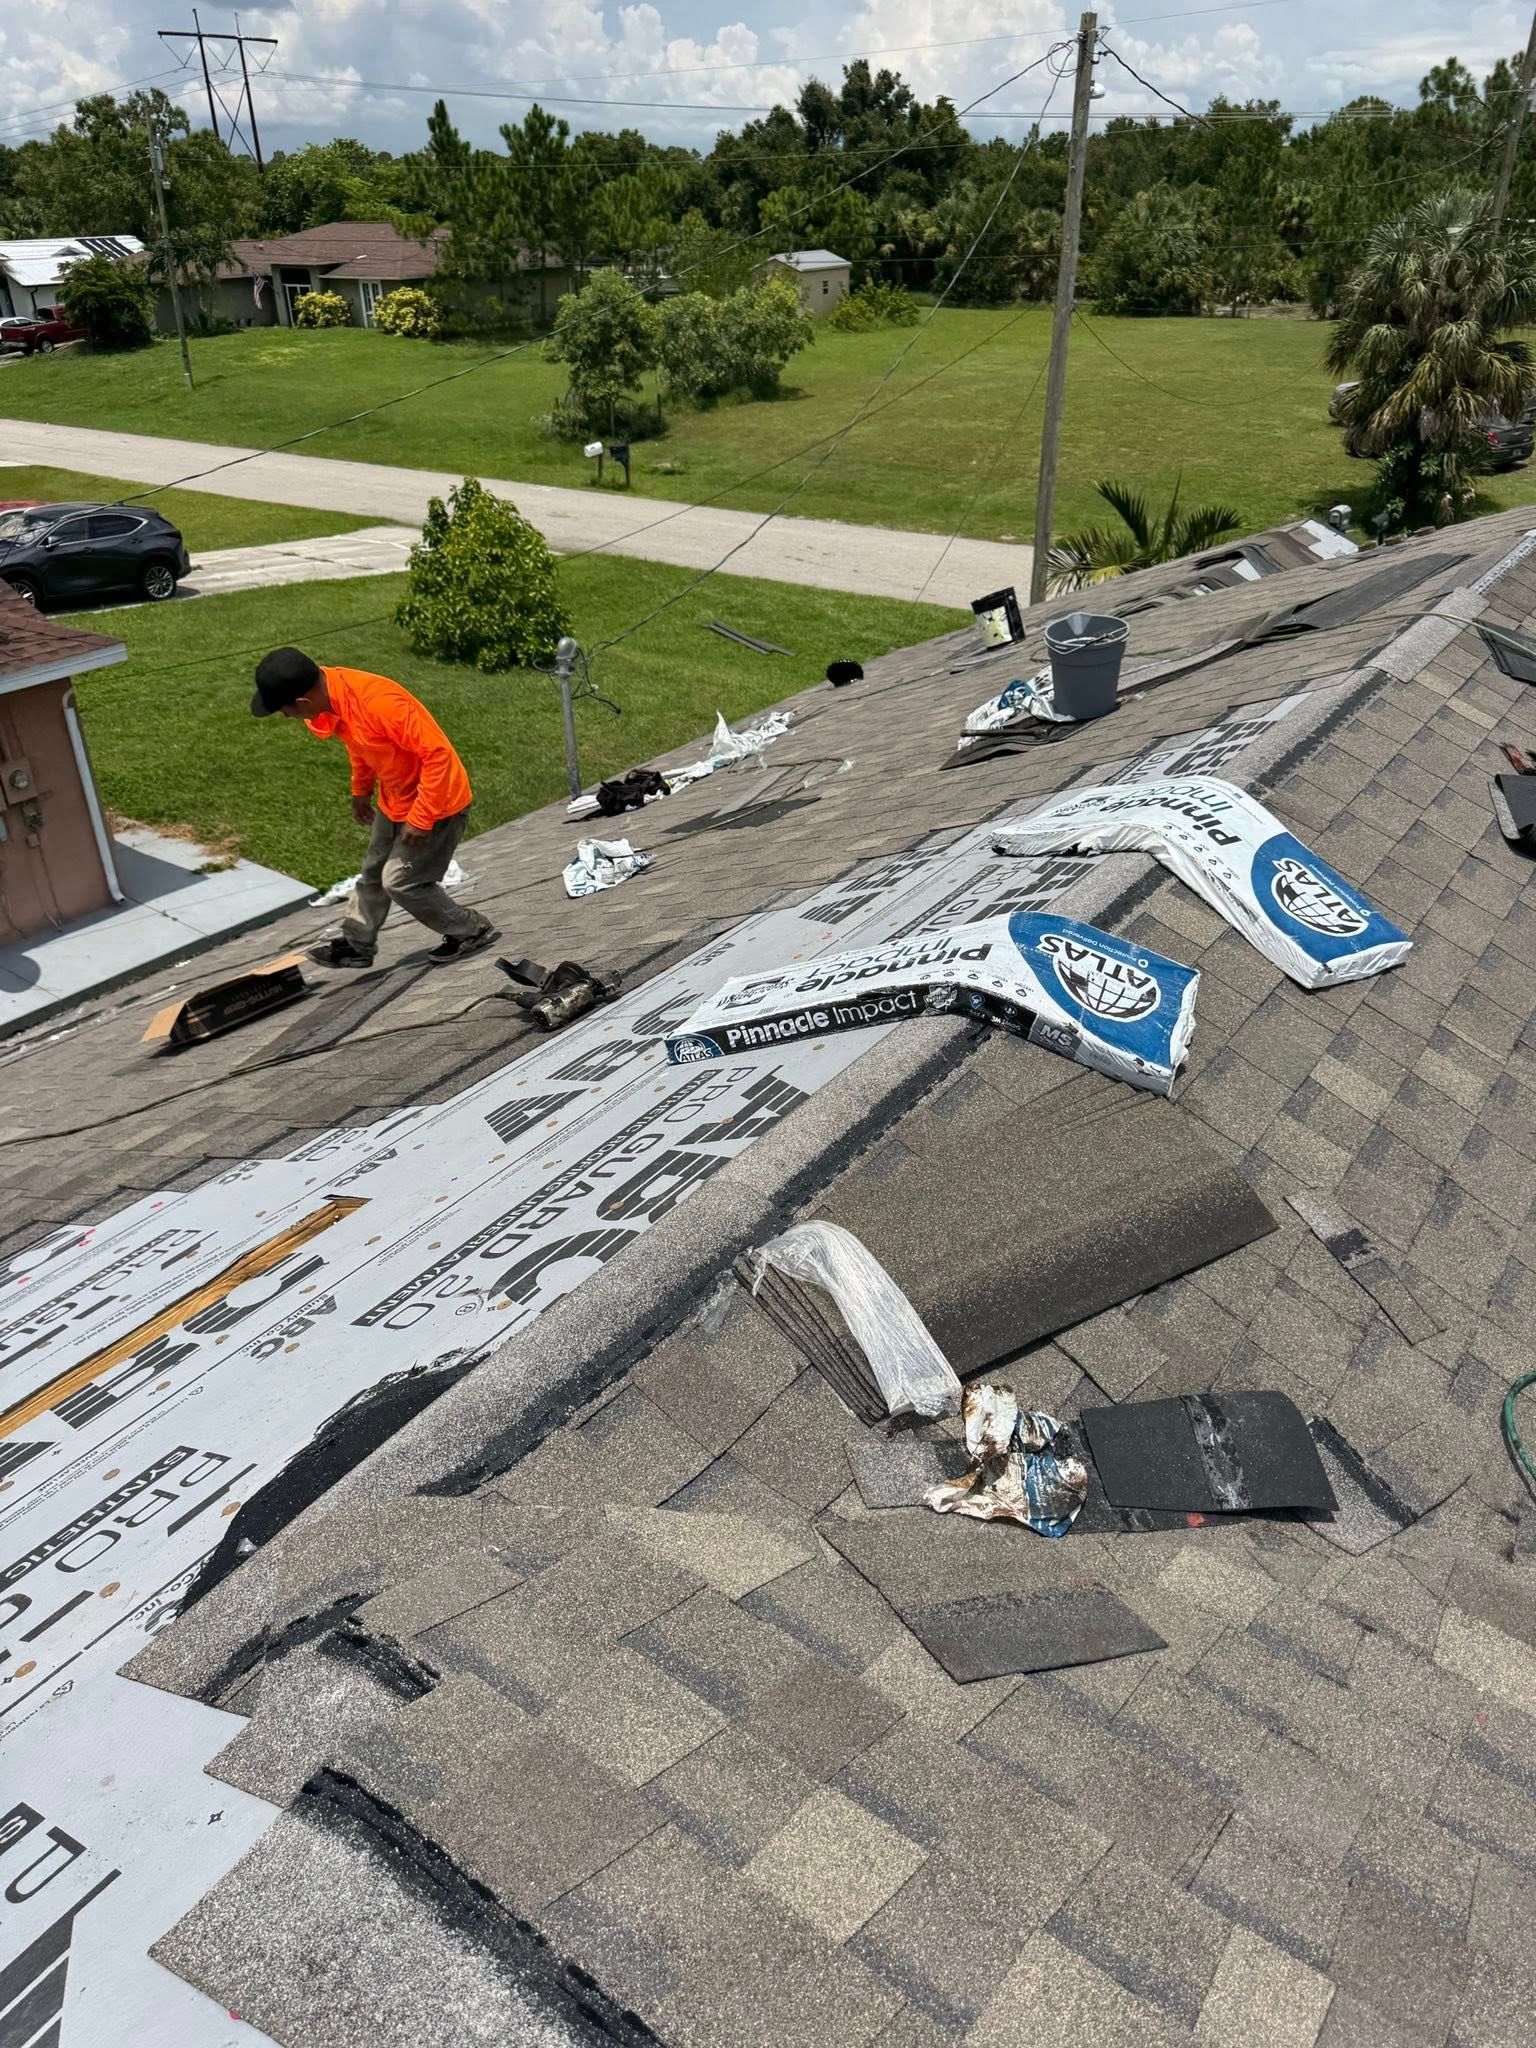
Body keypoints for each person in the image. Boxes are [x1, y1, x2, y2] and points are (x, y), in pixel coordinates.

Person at [251, 647, 498, 967]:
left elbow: (439, 756)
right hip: (396, 799)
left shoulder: (377, 702)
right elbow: (361, 744)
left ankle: (470, 929)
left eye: (284, 710)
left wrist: (421, 819)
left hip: (438, 804)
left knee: (400, 881)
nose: (285, 716)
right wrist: (361, 791)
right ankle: (358, 944)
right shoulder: (336, 699)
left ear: (302, 702)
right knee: (373, 873)